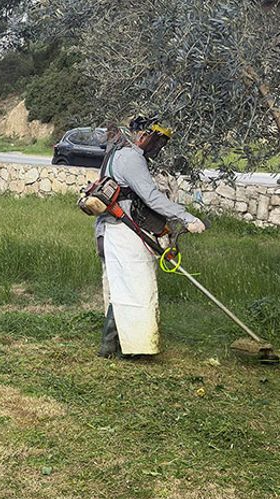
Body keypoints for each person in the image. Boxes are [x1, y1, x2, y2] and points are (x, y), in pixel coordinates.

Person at [95, 117, 207, 359]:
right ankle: (133, 348)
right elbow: (151, 197)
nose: (158, 146)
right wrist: (186, 217)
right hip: (125, 233)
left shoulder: (115, 154)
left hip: (112, 230)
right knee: (138, 290)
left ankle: (112, 347)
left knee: (123, 290)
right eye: (156, 139)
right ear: (141, 135)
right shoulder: (132, 157)